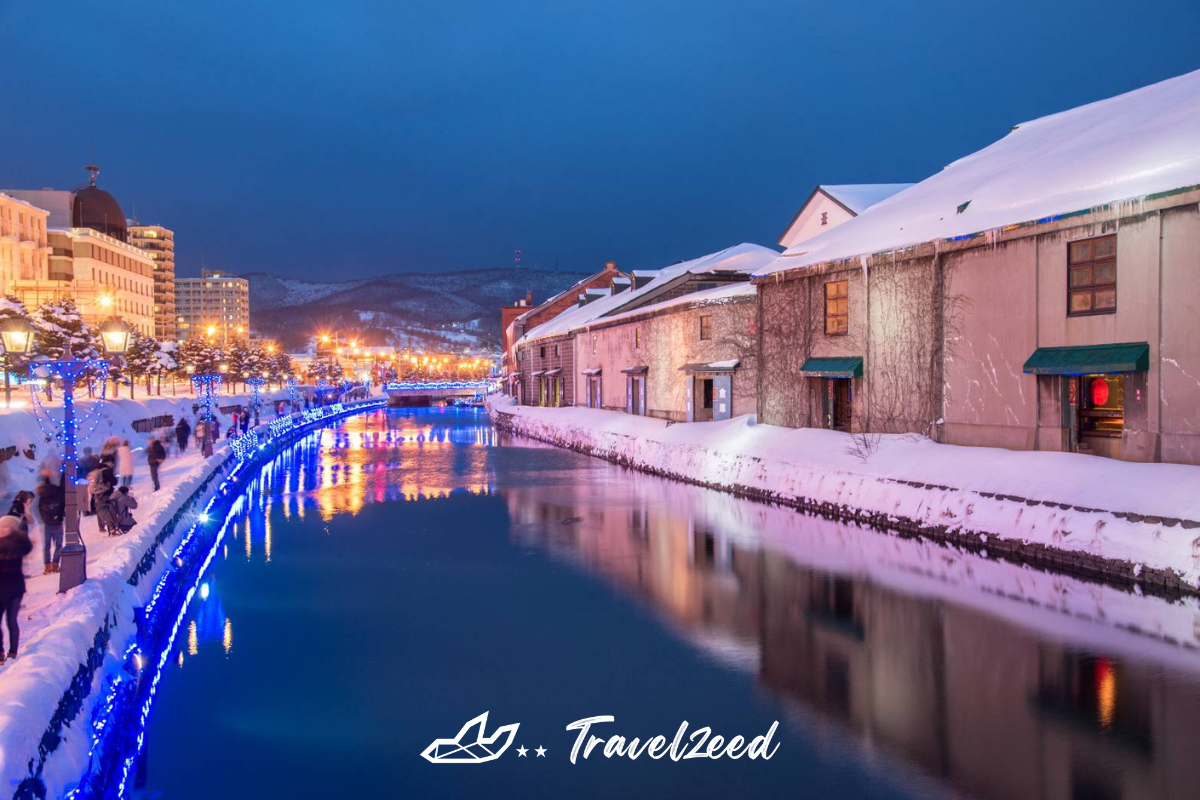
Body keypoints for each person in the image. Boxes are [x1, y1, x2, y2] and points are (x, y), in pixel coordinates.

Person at [0, 514, 32, 663]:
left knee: (11, 621)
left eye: (6, 527)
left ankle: (12, 652)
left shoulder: (17, 544)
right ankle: (0, 652)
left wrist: (12, 536)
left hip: (15, 589)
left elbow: (26, 546)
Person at [36, 474, 65, 575]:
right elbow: (62, 505)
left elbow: (39, 509)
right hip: (58, 523)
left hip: (47, 524)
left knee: (46, 546)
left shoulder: (41, 497)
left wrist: (45, 519)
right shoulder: (57, 492)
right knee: (58, 545)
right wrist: (60, 517)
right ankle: (55, 564)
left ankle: (47, 567)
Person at [89, 459, 117, 535]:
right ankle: (111, 528)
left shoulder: (94, 470)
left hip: (96, 493)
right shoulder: (106, 470)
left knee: (99, 509)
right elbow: (114, 481)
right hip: (106, 492)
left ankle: (101, 527)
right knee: (107, 509)